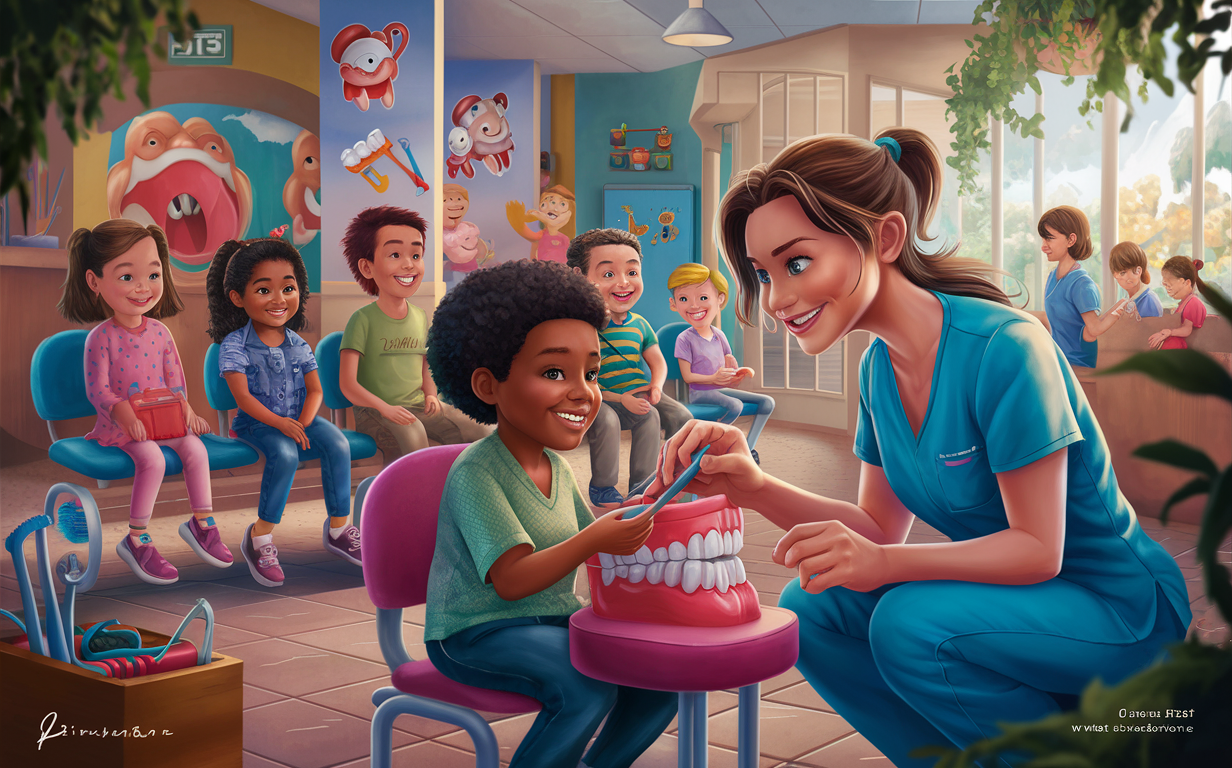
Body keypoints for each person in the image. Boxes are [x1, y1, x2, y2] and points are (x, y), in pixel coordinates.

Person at [649, 129, 1191, 768]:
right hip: (1011, 601)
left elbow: (1039, 551)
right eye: (763, 274)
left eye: (796, 263)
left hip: (1116, 609)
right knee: (811, 603)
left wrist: (885, 565)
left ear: (883, 239)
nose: (777, 300)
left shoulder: (1005, 348)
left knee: (909, 622)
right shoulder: (878, 368)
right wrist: (751, 485)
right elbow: (879, 528)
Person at [423, 260, 678, 768]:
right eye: (555, 372)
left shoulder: (557, 467)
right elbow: (512, 580)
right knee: (585, 688)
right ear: (487, 385)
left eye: (593, 372)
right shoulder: (477, 472)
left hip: (553, 623)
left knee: (658, 683)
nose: (583, 392)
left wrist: (653, 498)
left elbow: (594, 533)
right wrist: (596, 538)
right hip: (477, 633)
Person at [58, 219, 226, 585]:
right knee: (150, 458)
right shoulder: (100, 338)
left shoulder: (161, 332)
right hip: (121, 426)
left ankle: (202, 523)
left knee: (196, 450)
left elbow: (175, 382)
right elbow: (98, 391)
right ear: (94, 282)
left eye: (153, 275)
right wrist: (124, 413)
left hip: (166, 419)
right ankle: (137, 539)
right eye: (126, 277)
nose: (143, 288)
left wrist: (188, 411)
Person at [206, 238, 361, 587]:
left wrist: (303, 423)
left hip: (298, 417)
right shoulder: (234, 345)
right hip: (257, 423)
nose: (279, 299)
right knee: (286, 454)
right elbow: (243, 399)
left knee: (337, 443)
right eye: (264, 289)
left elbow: (317, 390)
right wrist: (282, 425)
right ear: (237, 297)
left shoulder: (298, 343)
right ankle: (259, 538)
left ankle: (339, 529)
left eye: (288, 288)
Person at [339, 206, 490, 461]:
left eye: (416, 255)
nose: (409, 264)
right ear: (367, 267)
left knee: (482, 430)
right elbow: (348, 384)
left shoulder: (419, 316)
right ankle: (414, 495)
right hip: (375, 411)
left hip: (419, 405)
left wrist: (431, 393)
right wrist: (384, 408)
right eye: (395, 254)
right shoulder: (362, 320)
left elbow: (424, 363)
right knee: (413, 434)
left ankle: (460, 487)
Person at [566, 228, 693, 507]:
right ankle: (603, 487)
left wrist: (656, 386)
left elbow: (656, 360)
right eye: (608, 274)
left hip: (638, 391)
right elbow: (581, 378)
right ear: (580, 277)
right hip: (600, 397)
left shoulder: (640, 324)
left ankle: (657, 480)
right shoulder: (581, 326)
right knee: (608, 421)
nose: (623, 283)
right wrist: (619, 398)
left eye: (632, 273)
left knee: (672, 415)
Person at [666, 262, 774, 463]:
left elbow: (728, 374)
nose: (694, 305)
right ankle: (716, 443)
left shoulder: (719, 335)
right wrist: (714, 377)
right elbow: (688, 377)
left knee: (767, 402)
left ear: (720, 298)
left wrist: (735, 375)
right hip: (700, 393)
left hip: (720, 390)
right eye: (684, 299)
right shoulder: (684, 339)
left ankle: (747, 448)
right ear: (674, 304)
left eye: (703, 297)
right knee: (734, 406)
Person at [1039, 205, 1125, 366]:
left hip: (1077, 366)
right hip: (1058, 361)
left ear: (1071, 240)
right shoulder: (1052, 276)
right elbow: (1050, 318)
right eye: (1043, 239)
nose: (1043, 246)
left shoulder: (1082, 284)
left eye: (1049, 238)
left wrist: (1122, 306)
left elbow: (1094, 329)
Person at [1149, 256, 1208, 350]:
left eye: (1169, 284)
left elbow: (1187, 329)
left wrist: (1169, 332)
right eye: (1165, 284)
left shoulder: (1193, 303)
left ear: (1186, 283)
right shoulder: (1184, 302)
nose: (1166, 288)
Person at [441, 184, 493, 290]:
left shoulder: (466, 227)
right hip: (453, 272)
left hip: (472, 269)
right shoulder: (440, 232)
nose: (455, 203)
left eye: (459, 199)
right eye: (449, 199)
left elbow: (480, 247)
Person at [506, 185, 575, 263]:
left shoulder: (565, 239)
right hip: (542, 271)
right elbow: (526, 234)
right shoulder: (541, 235)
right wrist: (516, 219)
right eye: (544, 204)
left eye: (562, 204)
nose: (554, 209)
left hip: (561, 272)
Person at [1109, 241, 1163, 319]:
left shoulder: (1149, 301)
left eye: (1122, 273)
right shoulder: (1130, 299)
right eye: (1115, 274)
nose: (1117, 277)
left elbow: (1152, 330)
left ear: (1138, 271)